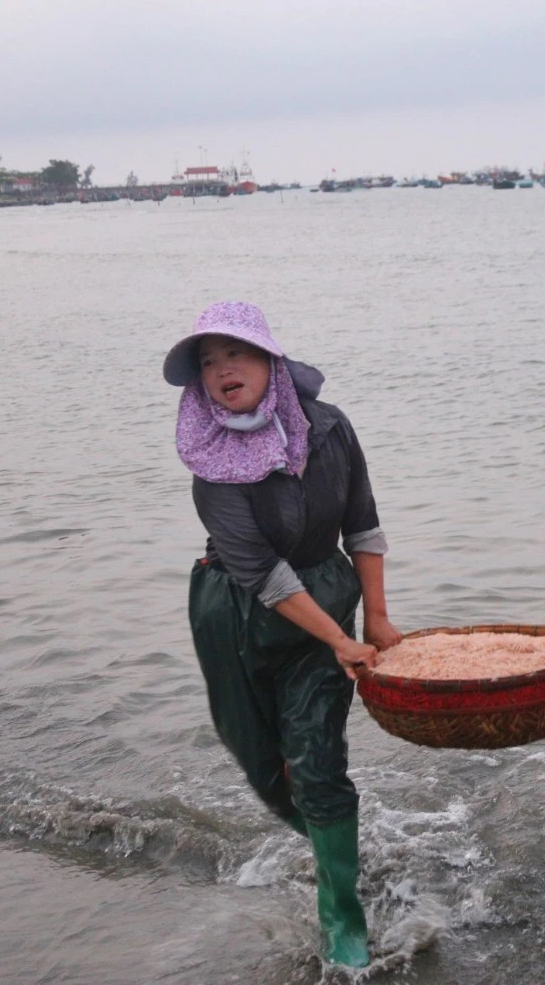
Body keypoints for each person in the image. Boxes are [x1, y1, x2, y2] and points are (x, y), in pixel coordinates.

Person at [163, 301, 403, 967]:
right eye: (207, 363)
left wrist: (374, 620)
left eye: (233, 354)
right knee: (267, 772)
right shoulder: (210, 462)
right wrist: (342, 639)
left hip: (321, 600)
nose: (220, 371)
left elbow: (363, 527)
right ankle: (339, 848)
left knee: (319, 763)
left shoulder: (329, 429)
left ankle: (343, 917)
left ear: (270, 359)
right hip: (233, 613)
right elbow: (264, 577)